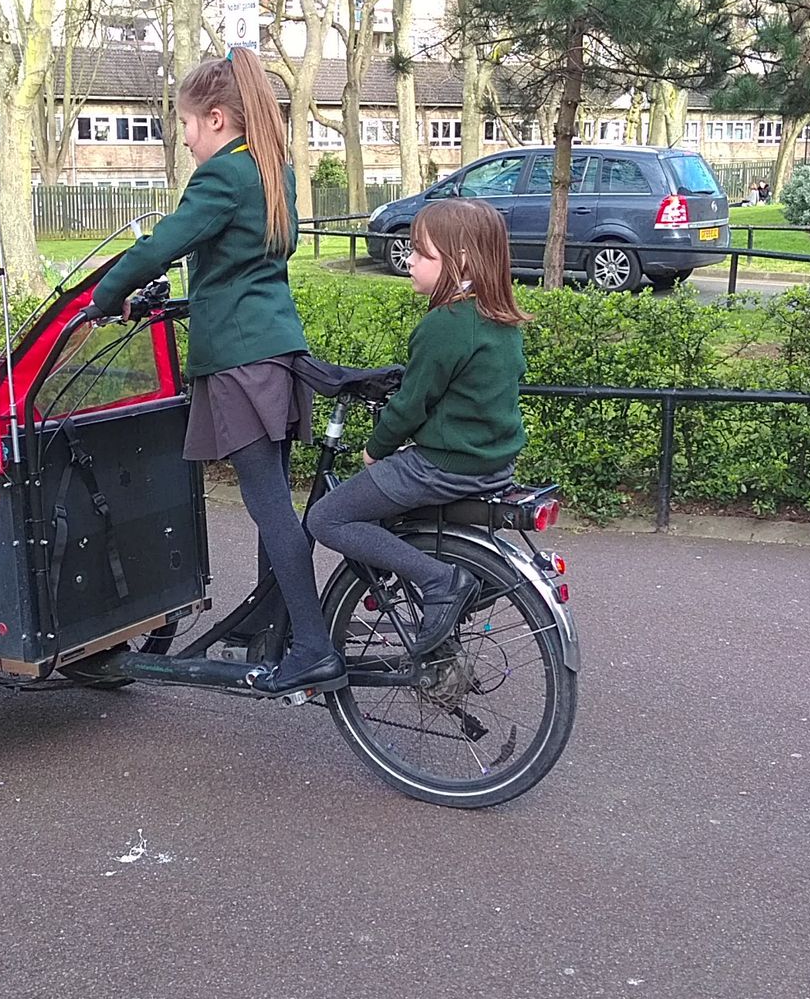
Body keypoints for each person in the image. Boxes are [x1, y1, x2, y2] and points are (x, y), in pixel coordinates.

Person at [87, 50, 341, 693]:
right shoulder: (270, 168)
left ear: (218, 118)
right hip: (279, 353)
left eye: (189, 126)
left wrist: (106, 297)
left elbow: (163, 243)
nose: (188, 138)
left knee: (269, 509)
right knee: (274, 506)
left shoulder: (222, 177)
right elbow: (240, 260)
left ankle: (311, 645)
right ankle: (271, 628)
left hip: (239, 362)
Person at [306, 198, 528, 656]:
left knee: (327, 516)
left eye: (422, 253)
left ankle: (439, 581)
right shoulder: (500, 319)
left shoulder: (446, 323)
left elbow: (412, 403)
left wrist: (376, 448)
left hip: (442, 466)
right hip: (493, 466)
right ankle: (422, 579)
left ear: (461, 261)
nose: (409, 261)